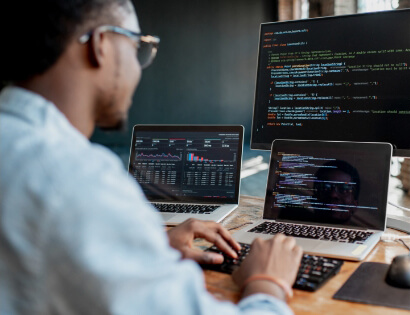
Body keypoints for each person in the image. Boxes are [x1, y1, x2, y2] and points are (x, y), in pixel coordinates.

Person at [0, 1, 303, 314]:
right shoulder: (79, 180)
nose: (138, 67)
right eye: (137, 47)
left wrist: (146, 252)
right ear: (100, 44)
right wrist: (268, 283)